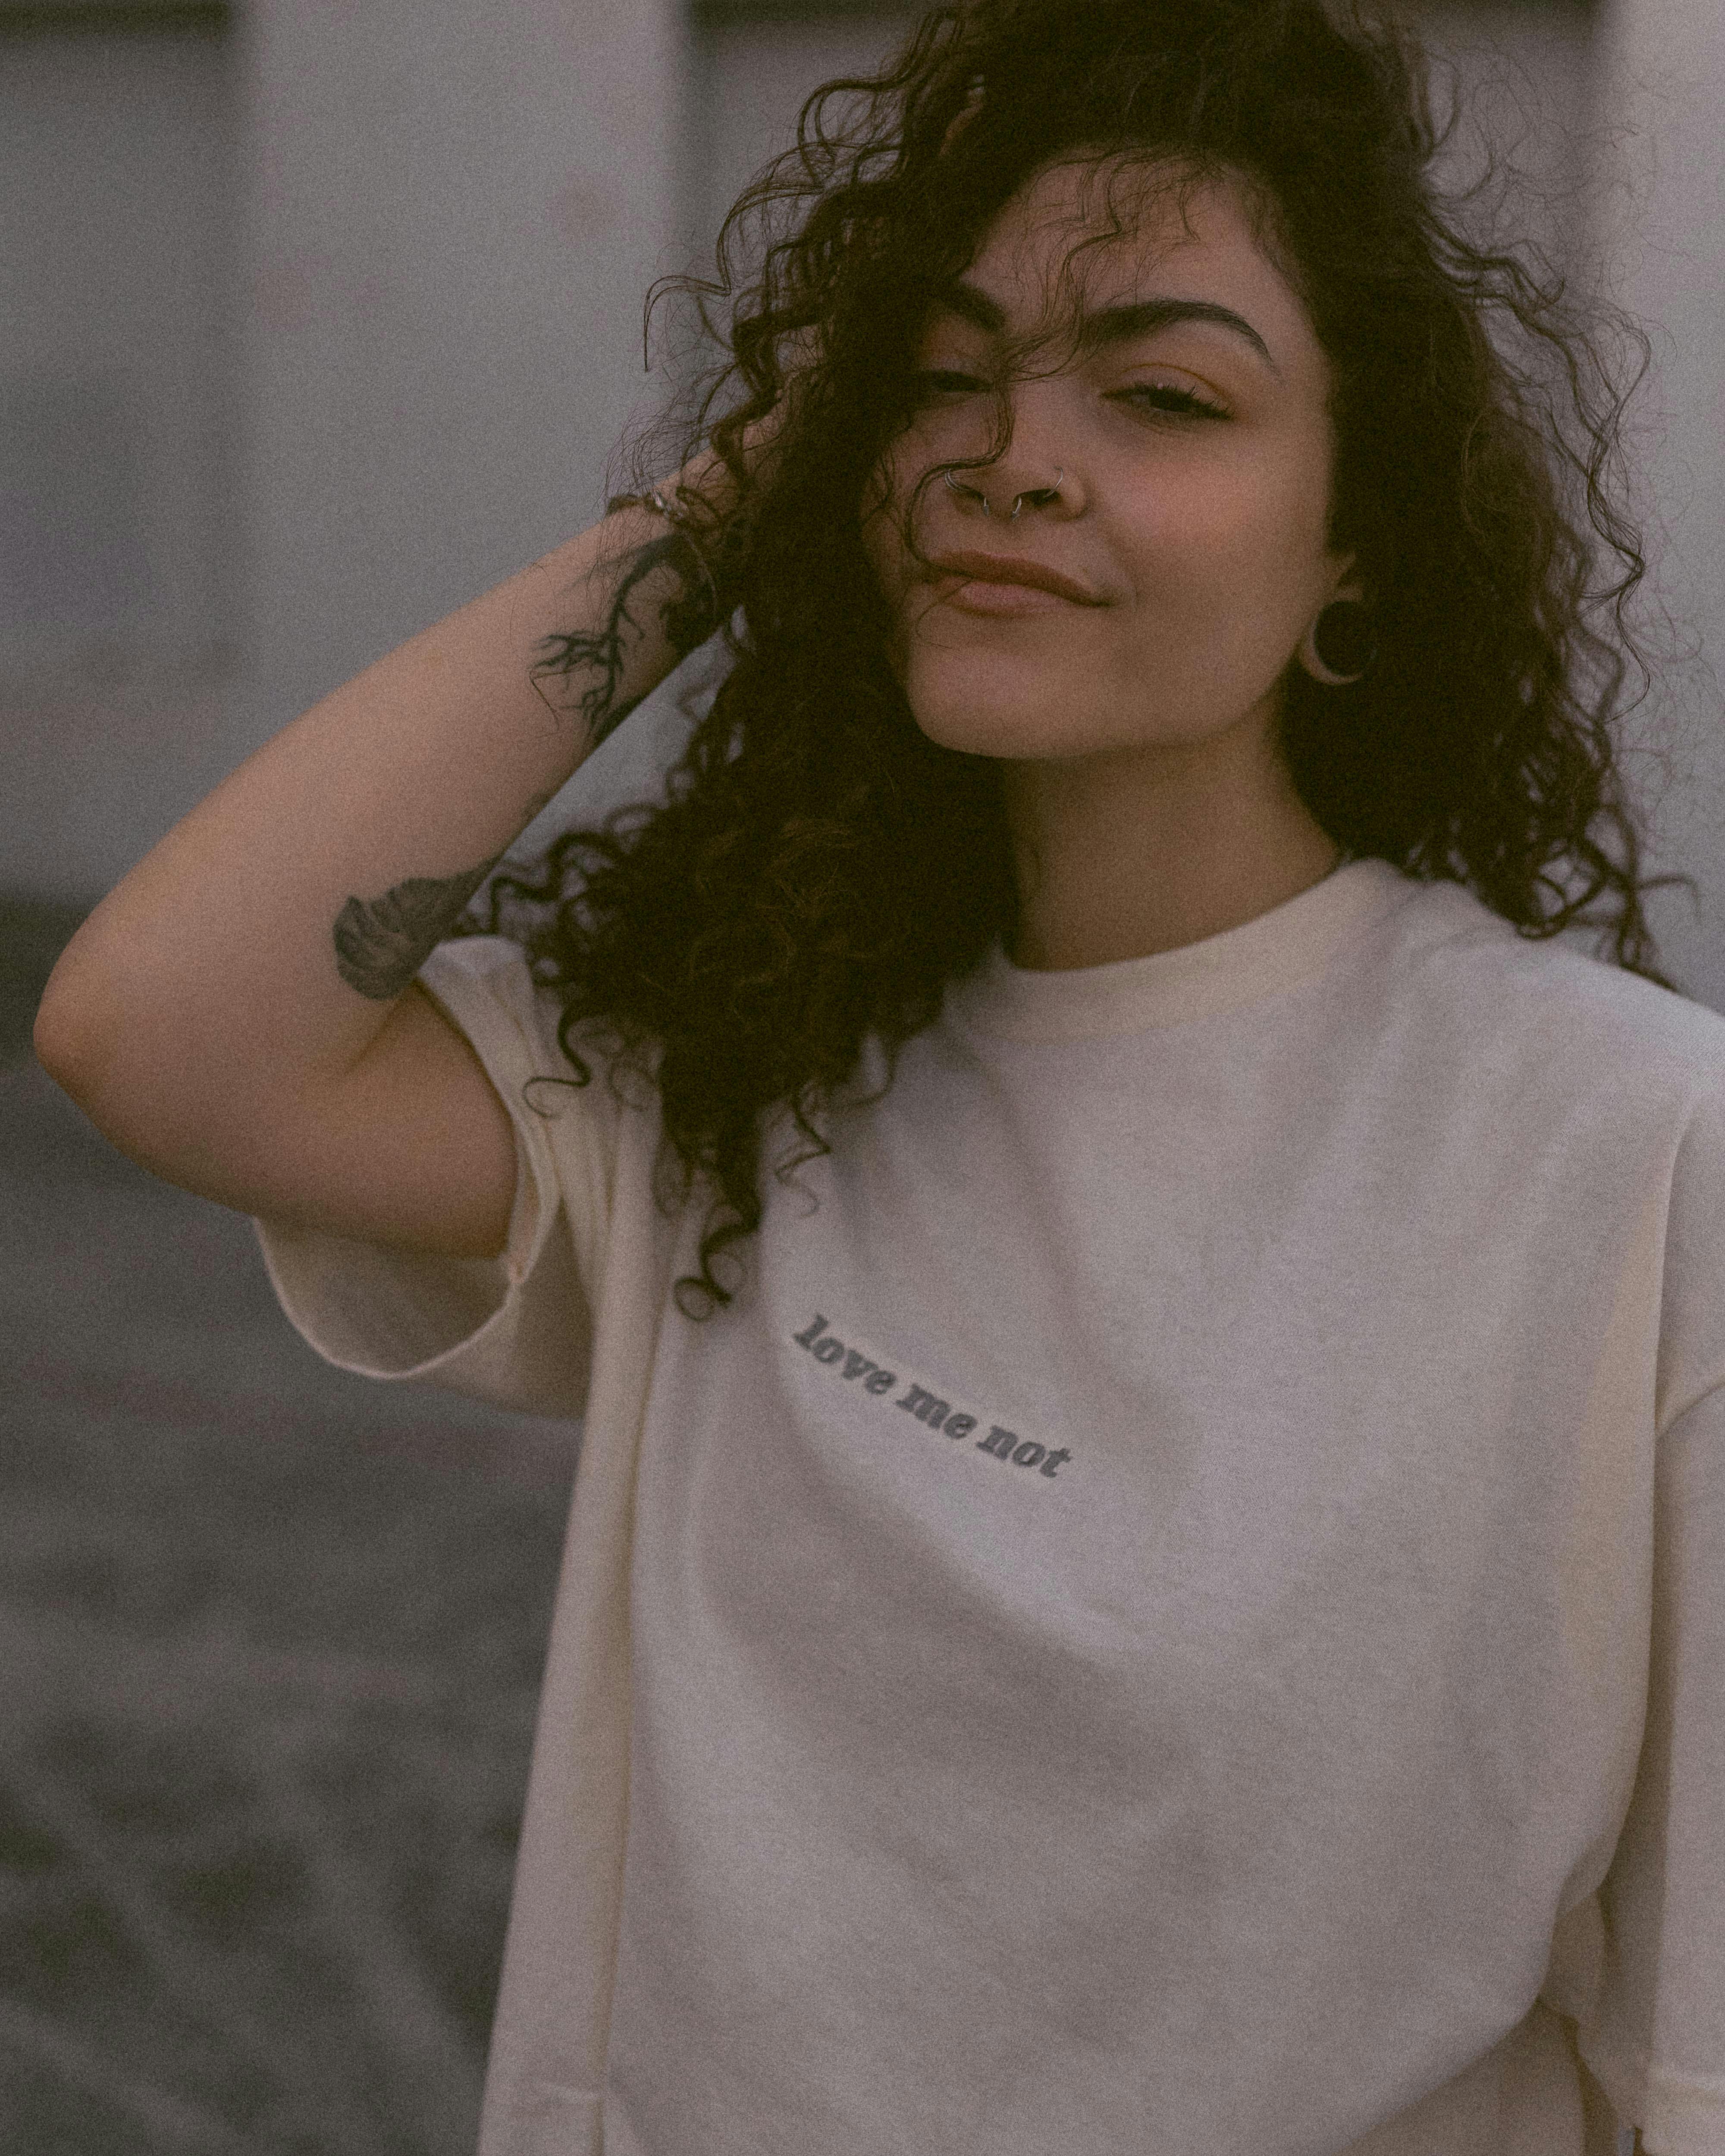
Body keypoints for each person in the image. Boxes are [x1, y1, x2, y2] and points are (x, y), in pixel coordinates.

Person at [31, 0, 1717, 2150]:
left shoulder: (1633, 1152)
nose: (1013, 452)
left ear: (1361, 536)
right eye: (938, 375)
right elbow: (158, 1031)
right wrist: (743, 495)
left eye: (1166, 393)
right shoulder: (735, 1070)